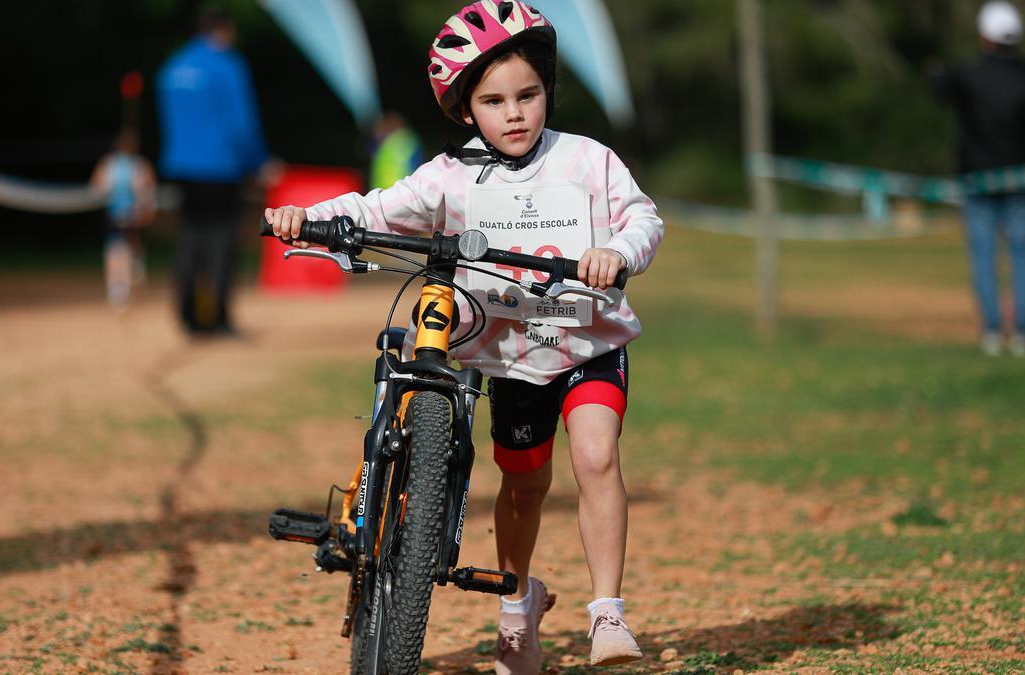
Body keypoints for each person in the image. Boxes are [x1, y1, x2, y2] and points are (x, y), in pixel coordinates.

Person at [266, 2, 663, 670]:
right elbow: (376, 208)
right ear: (465, 108)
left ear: (548, 94)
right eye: (494, 100)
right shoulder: (450, 176)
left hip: (588, 342)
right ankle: (517, 607)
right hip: (512, 354)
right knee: (525, 485)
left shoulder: (588, 160)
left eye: (528, 95)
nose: (515, 113)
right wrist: (305, 217)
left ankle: (607, 614)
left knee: (595, 454)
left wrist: (619, 253)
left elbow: (642, 217)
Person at [156, 7, 280, 336]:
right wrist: (258, 162)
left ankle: (188, 315)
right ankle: (219, 318)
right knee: (222, 242)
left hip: (182, 166)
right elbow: (241, 122)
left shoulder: (173, 66)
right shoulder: (227, 65)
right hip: (222, 167)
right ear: (223, 30)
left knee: (188, 238)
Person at [931, 0, 1025, 357]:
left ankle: (993, 332)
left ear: (984, 37)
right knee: (1023, 258)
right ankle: (1023, 333)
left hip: (978, 182)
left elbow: (940, 91)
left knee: (984, 258)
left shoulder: (969, 75)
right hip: (1023, 182)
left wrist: (936, 71)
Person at [90, 127, 156, 309]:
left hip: (133, 214)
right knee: (116, 249)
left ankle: (135, 272)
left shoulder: (140, 165)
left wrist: (145, 204)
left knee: (131, 248)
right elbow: (96, 186)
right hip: (114, 214)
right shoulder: (109, 164)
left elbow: (149, 191)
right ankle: (118, 287)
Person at [369, 111, 424, 190]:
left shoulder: (406, 142)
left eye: (381, 127)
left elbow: (417, 168)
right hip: (389, 193)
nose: (377, 132)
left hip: (401, 193)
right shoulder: (384, 146)